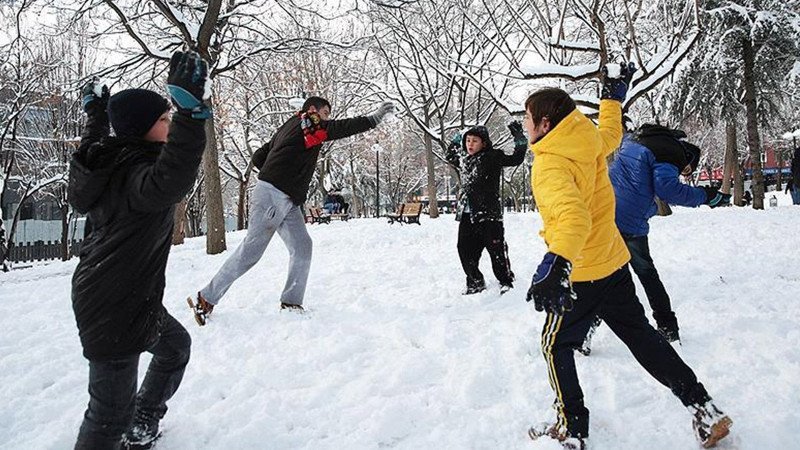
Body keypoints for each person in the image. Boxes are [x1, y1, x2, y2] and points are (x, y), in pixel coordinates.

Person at [523, 63, 731, 449]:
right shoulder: (585, 140)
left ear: (546, 124)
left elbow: (572, 217)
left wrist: (556, 263)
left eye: (528, 119)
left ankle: (571, 427)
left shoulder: (550, 163)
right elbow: (610, 134)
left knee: (555, 347)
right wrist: (612, 98)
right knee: (642, 337)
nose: (525, 126)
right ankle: (704, 407)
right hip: (614, 263)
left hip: (582, 271)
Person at [70, 51, 211, 449]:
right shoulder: (137, 177)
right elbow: (174, 176)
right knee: (107, 417)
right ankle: (127, 425)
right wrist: (190, 113)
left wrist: (96, 113)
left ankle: (143, 421)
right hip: (113, 308)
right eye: (164, 120)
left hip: (127, 298)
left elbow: (94, 141)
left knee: (174, 348)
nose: (168, 124)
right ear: (143, 130)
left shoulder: (111, 159)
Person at [190, 97, 395, 322]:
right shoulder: (310, 123)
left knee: (302, 245)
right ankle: (206, 298)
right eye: (325, 113)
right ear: (312, 110)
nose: (327, 119)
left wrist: (280, 169)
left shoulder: (292, 125)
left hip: (286, 197)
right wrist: (374, 119)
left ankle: (291, 302)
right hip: (274, 195)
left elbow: (260, 155)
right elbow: (340, 127)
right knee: (251, 251)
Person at [585, 125, 729, 345]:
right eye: (687, 170)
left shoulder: (637, 139)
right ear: (687, 159)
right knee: (646, 273)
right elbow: (668, 189)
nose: (684, 173)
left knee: (606, 274)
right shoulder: (671, 154)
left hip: (604, 211)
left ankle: (584, 330)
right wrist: (706, 196)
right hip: (629, 221)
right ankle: (668, 327)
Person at [445, 123, 527, 295]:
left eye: (475, 141)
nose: (470, 144)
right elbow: (450, 155)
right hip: (469, 215)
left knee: (496, 251)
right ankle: (475, 282)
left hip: (489, 214)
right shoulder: (465, 160)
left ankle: (505, 281)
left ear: (484, 143)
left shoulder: (492, 156)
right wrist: (457, 138)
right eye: (468, 141)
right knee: (464, 250)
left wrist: (519, 137)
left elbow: (516, 158)